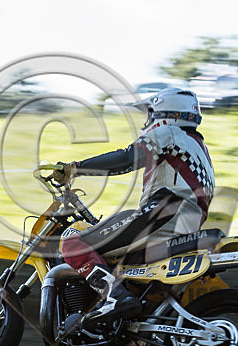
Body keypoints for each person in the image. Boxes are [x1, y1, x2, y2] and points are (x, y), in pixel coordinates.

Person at [54, 88, 215, 331]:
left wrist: (75, 168)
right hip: (184, 223)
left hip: (162, 215)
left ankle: (114, 297)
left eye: (150, 113)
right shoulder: (199, 147)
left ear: (166, 114)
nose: (147, 121)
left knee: (73, 243)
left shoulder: (170, 133)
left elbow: (127, 158)